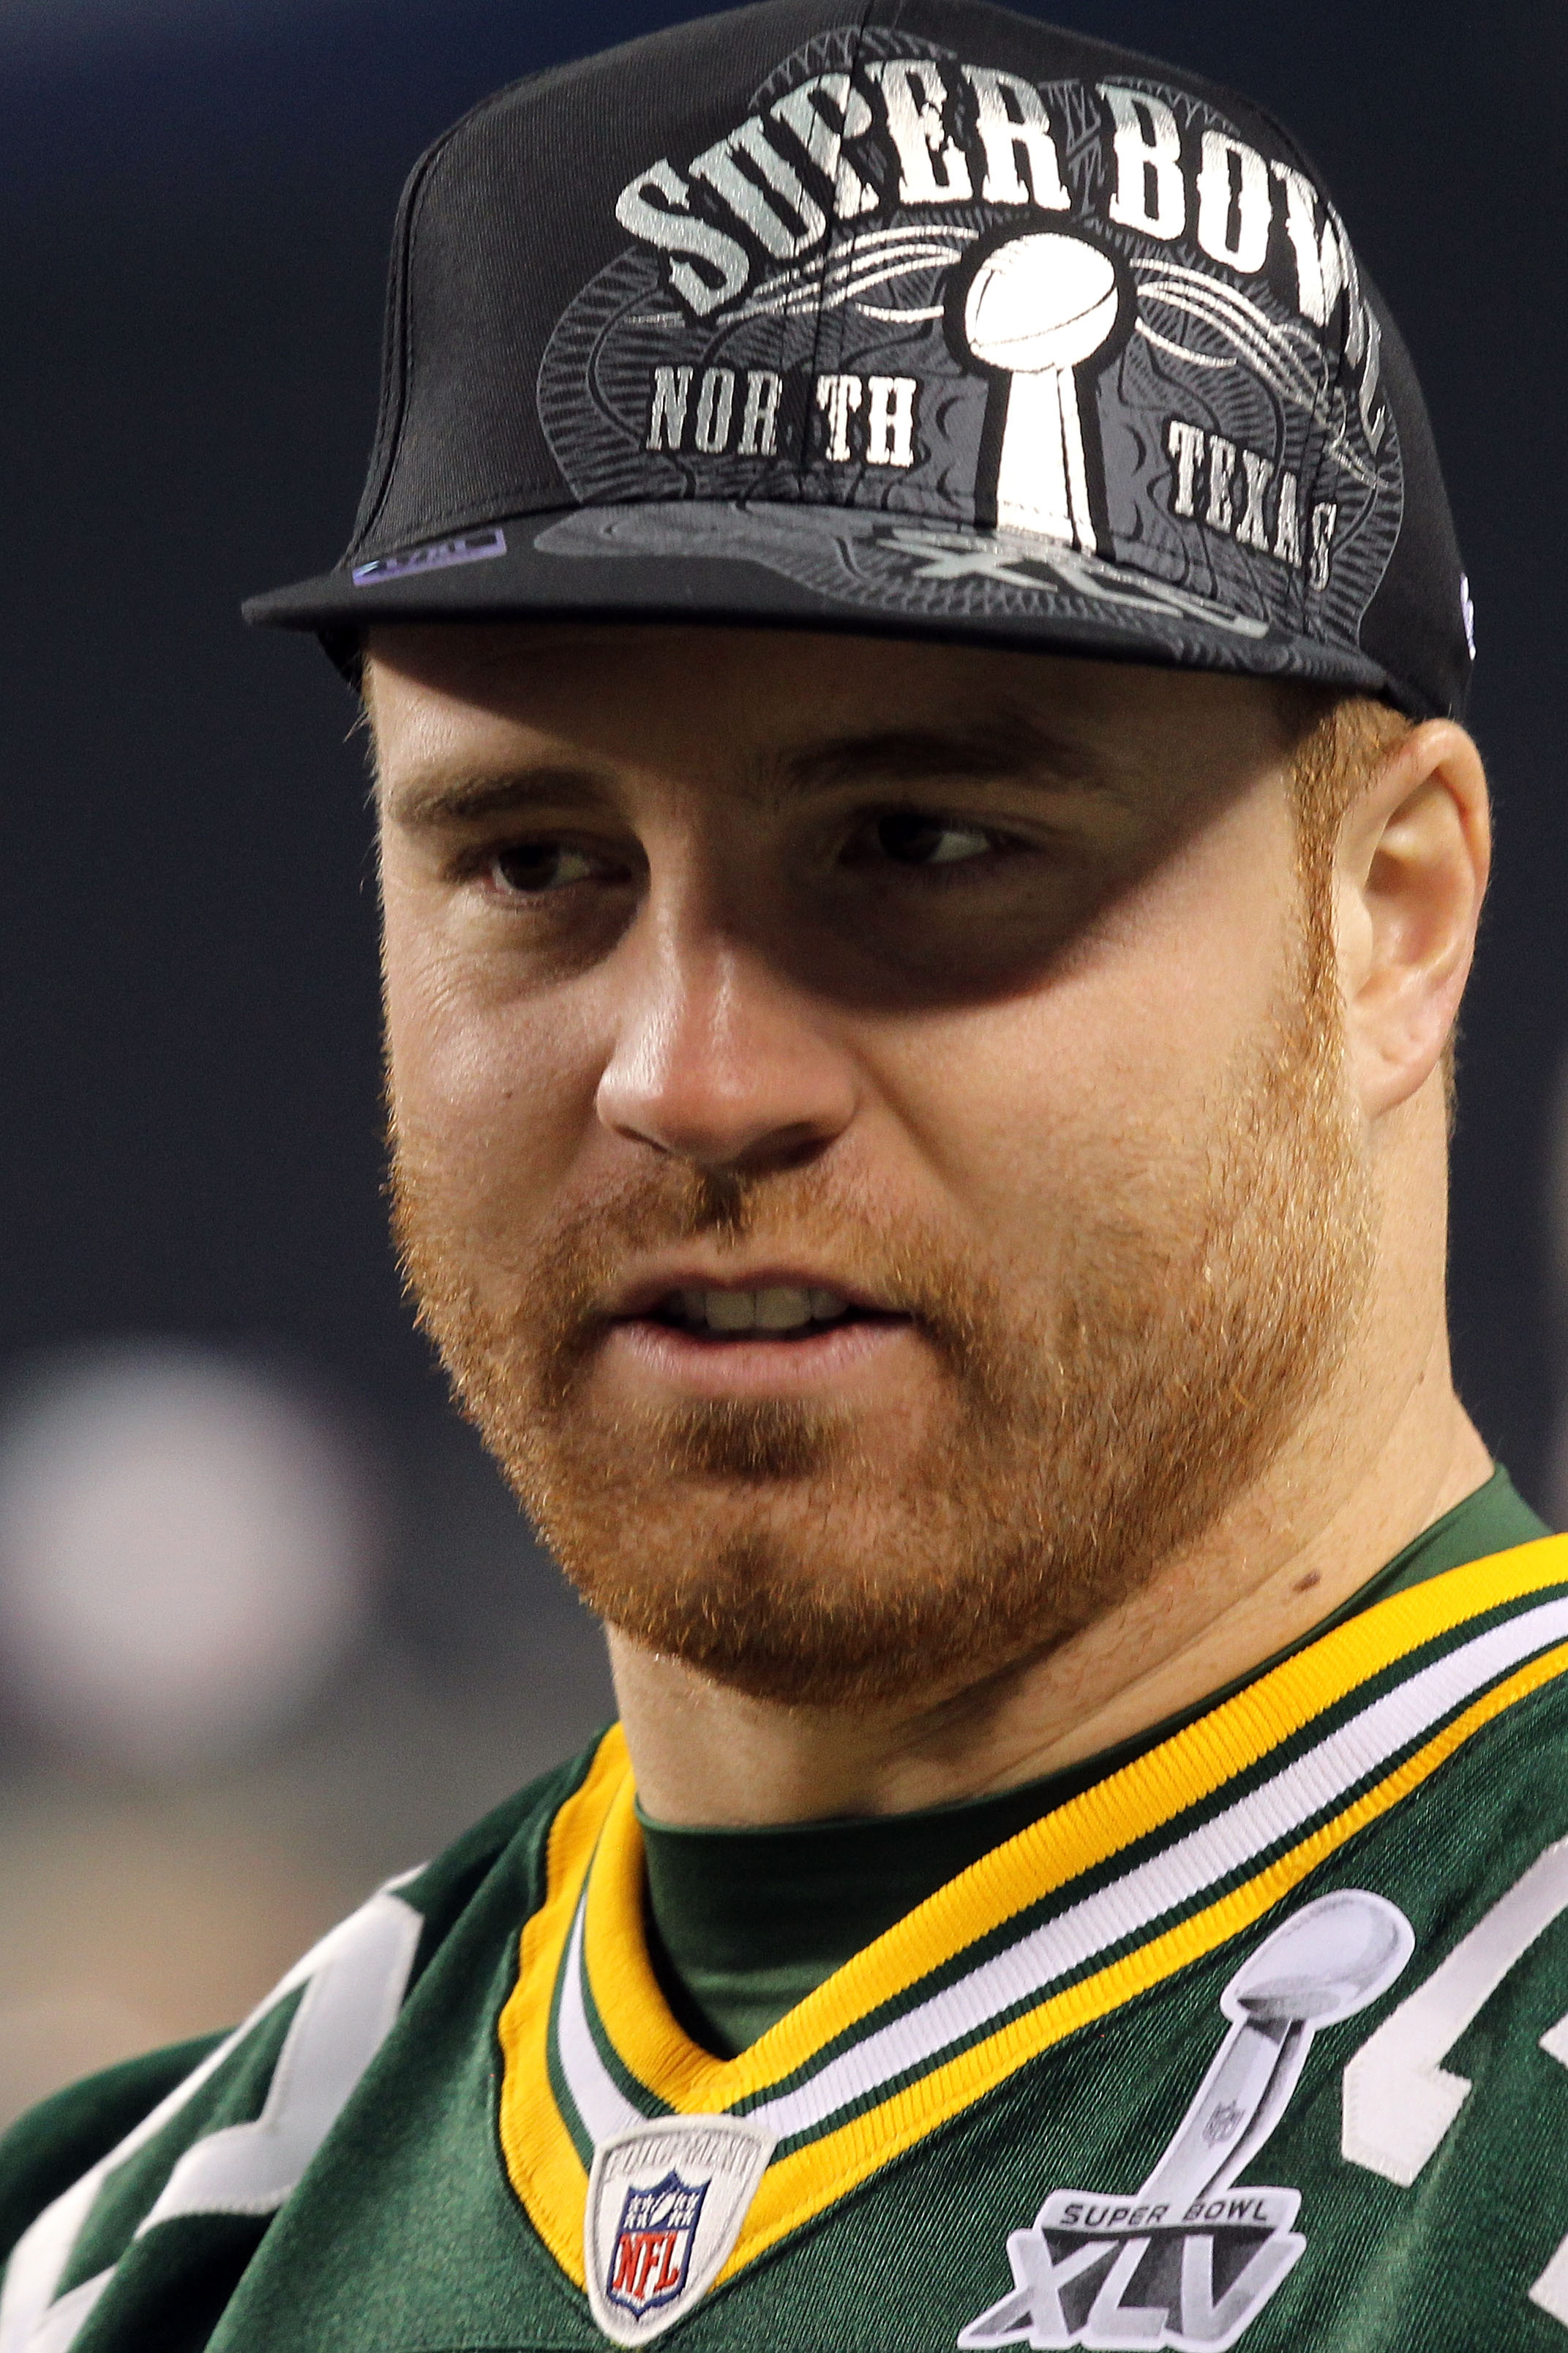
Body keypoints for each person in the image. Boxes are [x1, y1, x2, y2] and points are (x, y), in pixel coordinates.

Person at [2, 2, 1563, 2347]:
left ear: (1394, 913)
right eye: (534, 865)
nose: (690, 1073)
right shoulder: (122, 2254)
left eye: (922, 843)